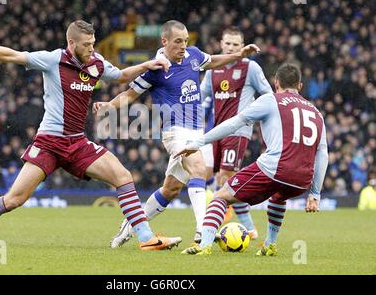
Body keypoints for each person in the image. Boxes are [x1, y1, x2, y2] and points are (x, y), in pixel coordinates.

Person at [0, 20, 182, 251]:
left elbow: (121, 76)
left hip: (77, 142)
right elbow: (13, 56)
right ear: (71, 43)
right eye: (86, 45)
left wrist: (147, 65)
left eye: (93, 43)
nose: (91, 48)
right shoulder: (52, 60)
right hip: (50, 143)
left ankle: (146, 239)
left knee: (123, 176)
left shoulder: (95, 63)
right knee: (14, 199)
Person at [93, 20, 260, 247]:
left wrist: (238, 55)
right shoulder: (155, 69)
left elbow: (213, 61)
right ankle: (204, 230)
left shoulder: (193, 55)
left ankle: (129, 226)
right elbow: (130, 95)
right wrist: (108, 106)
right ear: (165, 42)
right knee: (199, 169)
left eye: (185, 41)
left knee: (170, 190)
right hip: (174, 131)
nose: (183, 46)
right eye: (178, 41)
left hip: (195, 131)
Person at [176, 63, 328, 256]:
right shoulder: (316, 113)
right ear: (300, 86)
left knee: (221, 196)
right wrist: (315, 193)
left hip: (275, 168)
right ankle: (269, 245)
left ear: (276, 83)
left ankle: (204, 245)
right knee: (278, 197)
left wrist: (199, 141)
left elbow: (234, 123)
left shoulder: (270, 100)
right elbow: (323, 154)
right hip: (302, 180)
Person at [199, 27, 273, 239]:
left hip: (238, 131)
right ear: (221, 44)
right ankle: (247, 228)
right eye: (227, 43)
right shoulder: (212, 69)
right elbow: (201, 97)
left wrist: (255, 115)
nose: (230, 47)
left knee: (225, 177)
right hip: (215, 131)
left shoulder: (251, 68)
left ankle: (213, 230)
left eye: (235, 45)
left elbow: (268, 95)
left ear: (242, 47)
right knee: (203, 173)